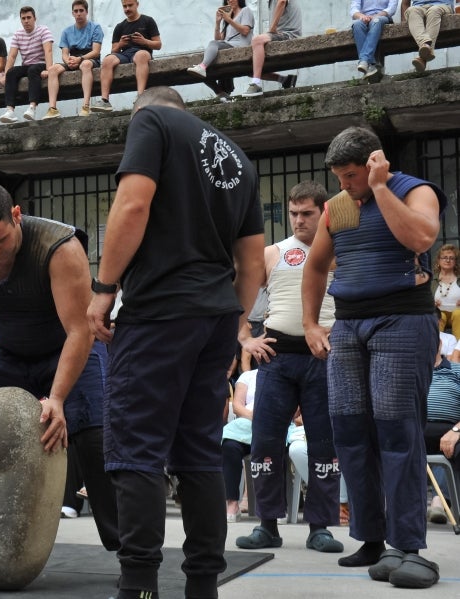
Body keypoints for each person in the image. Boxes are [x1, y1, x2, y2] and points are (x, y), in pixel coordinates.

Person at [85, 87, 264, 599]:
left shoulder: (151, 123)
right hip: (216, 316)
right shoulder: (237, 156)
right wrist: (233, 322)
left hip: (160, 311)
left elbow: (133, 203)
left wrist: (104, 290)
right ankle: (202, 586)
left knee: (136, 450)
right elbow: (252, 262)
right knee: (200, 455)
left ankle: (138, 584)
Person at [302, 126, 446, 587]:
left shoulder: (415, 190)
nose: (344, 184)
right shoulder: (339, 207)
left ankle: (410, 547)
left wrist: (381, 188)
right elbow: (317, 266)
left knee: (397, 430)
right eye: (339, 177)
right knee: (349, 430)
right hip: (348, 325)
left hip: (402, 320)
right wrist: (309, 323)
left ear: (375, 163)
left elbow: (420, 239)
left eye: (352, 175)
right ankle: (370, 538)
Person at [0, 182, 120, 551]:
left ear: (17, 216)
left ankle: (129, 550)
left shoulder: (59, 247)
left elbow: (78, 331)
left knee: (93, 438)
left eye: (1, 241)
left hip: (66, 348)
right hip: (8, 353)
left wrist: (56, 398)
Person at [234, 181, 344, 554]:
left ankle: (321, 527)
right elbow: (239, 297)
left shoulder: (340, 251)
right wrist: (246, 338)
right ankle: (267, 525)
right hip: (276, 356)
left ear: (323, 212)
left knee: (324, 442)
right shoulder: (273, 252)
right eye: (294, 213)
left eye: (307, 213)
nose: (298, 220)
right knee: (264, 440)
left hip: (324, 356)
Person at [91, 0, 161, 113]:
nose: (127, 9)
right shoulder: (120, 26)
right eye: (124, 6)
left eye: (130, 5)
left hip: (142, 51)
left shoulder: (148, 21)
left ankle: (140, 97)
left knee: (140, 56)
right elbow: (113, 50)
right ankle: (104, 100)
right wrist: (120, 44)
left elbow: (158, 44)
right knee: (107, 60)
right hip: (125, 54)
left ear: (137, 4)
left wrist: (144, 41)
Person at [43, 0, 103, 119]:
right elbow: (64, 53)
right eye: (76, 11)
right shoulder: (66, 31)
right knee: (53, 69)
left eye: (81, 11)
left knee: (85, 65)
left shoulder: (95, 27)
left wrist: (79, 59)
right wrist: (69, 61)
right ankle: (52, 109)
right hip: (72, 58)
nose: (78, 13)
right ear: (72, 13)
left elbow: (96, 51)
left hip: (89, 57)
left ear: (86, 12)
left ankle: (86, 106)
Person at [186, 0, 254, 102]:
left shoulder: (245, 10)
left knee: (212, 46)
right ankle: (221, 92)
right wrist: (218, 22)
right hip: (229, 45)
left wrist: (229, 20)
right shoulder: (229, 17)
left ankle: (203, 67)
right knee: (199, 68)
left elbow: (245, 30)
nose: (230, 0)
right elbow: (219, 39)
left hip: (240, 45)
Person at [424, 342, 460, 524]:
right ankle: (419, 504)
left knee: (456, 446)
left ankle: (443, 500)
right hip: (414, 428)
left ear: (438, 344)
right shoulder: (409, 370)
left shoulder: (457, 370)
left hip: (451, 429)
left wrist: (456, 430)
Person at [0, 6, 53, 124]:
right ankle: (10, 111)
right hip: (27, 65)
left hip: (41, 64)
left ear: (35, 18)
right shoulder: (18, 34)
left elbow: (48, 51)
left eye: (29, 17)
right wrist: (6, 75)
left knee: (33, 70)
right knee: (12, 72)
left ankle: (32, 107)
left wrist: (49, 70)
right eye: (23, 18)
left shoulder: (43, 30)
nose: (26, 21)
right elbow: (12, 56)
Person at [241, 0, 301, 97]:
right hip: (282, 34)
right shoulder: (270, 2)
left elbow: (282, 1)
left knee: (257, 40)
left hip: (289, 35)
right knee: (248, 69)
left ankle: (256, 84)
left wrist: (272, 29)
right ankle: (285, 80)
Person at [221, 368, 256, 523]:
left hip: (275, 424)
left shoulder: (287, 371)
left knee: (277, 447)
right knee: (229, 446)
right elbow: (237, 406)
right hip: (246, 424)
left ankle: (276, 506)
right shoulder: (248, 376)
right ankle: (232, 503)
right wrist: (256, 417)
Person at [351, 0, 399, 82]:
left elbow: (392, 8)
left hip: (383, 17)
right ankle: (371, 66)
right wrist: (362, 16)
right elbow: (354, 10)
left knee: (376, 21)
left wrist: (376, 16)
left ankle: (364, 60)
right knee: (357, 25)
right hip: (364, 18)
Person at [402, 0, 454, 72]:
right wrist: (404, 21)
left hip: (442, 5)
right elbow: (405, 3)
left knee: (434, 10)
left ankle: (425, 50)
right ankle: (425, 49)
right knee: (411, 10)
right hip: (419, 7)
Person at [433, 243, 460, 332]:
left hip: (458, 314)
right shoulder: (432, 279)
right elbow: (423, 299)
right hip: (439, 313)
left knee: (458, 313)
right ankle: (438, 344)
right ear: (438, 260)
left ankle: (458, 345)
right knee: (439, 315)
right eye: (445, 257)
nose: (448, 260)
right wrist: (431, 303)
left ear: (455, 261)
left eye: (451, 258)